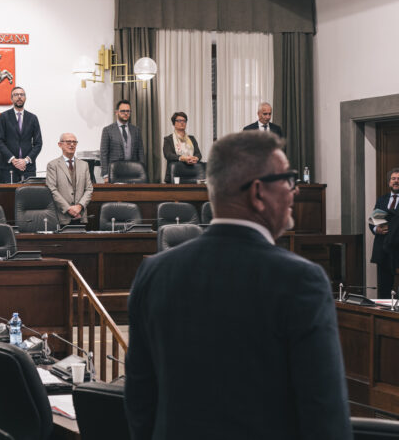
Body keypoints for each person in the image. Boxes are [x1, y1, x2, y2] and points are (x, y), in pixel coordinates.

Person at [125, 130, 351, 440]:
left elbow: (139, 400)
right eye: (287, 179)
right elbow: (324, 413)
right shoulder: (300, 280)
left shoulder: (154, 272)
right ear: (258, 193)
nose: (295, 190)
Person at [0, 86, 42, 183]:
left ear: (25, 98)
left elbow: (38, 143)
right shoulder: (4, 117)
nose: (19, 97)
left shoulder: (33, 118)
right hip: (8, 168)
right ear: (11, 98)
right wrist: (13, 159)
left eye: (22, 95)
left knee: (28, 193)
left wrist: (26, 160)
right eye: (16, 95)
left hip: (28, 168)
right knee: (7, 193)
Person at [46, 133, 93, 226]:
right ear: (60, 144)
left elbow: (89, 189)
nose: (72, 145)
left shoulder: (84, 165)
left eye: (74, 142)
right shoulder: (53, 165)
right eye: (68, 142)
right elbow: (52, 189)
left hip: (81, 215)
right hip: (62, 216)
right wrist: (68, 208)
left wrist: (80, 206)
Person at [370, 168, 399, 298]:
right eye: (393, 179)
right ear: (389, 182)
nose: (396, 181)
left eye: (398, 179)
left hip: (397, 249)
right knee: (384, 289)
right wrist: (377, 229)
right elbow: (372, 222)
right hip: (382, 250)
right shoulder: (382, 200)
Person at [100, 99, 144, 182]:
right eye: (123, 111)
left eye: (128, 111)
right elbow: (103, 154)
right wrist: (105, 175)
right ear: (117, 112)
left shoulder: (136, 130)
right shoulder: (108, 130)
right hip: (115, 173)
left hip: (133, 172)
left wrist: (141, 170)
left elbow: (140, 152)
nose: (126, 113)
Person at [162, 111, 202, 183]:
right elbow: (168, 155)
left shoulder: (192, 138)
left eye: (184, 121)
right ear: (174, 123)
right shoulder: (168, 139)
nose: (182, 123)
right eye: (179, 121)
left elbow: (198, 154)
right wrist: (183, 158)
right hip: (175, 174)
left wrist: (195, 158)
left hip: (192, 173)